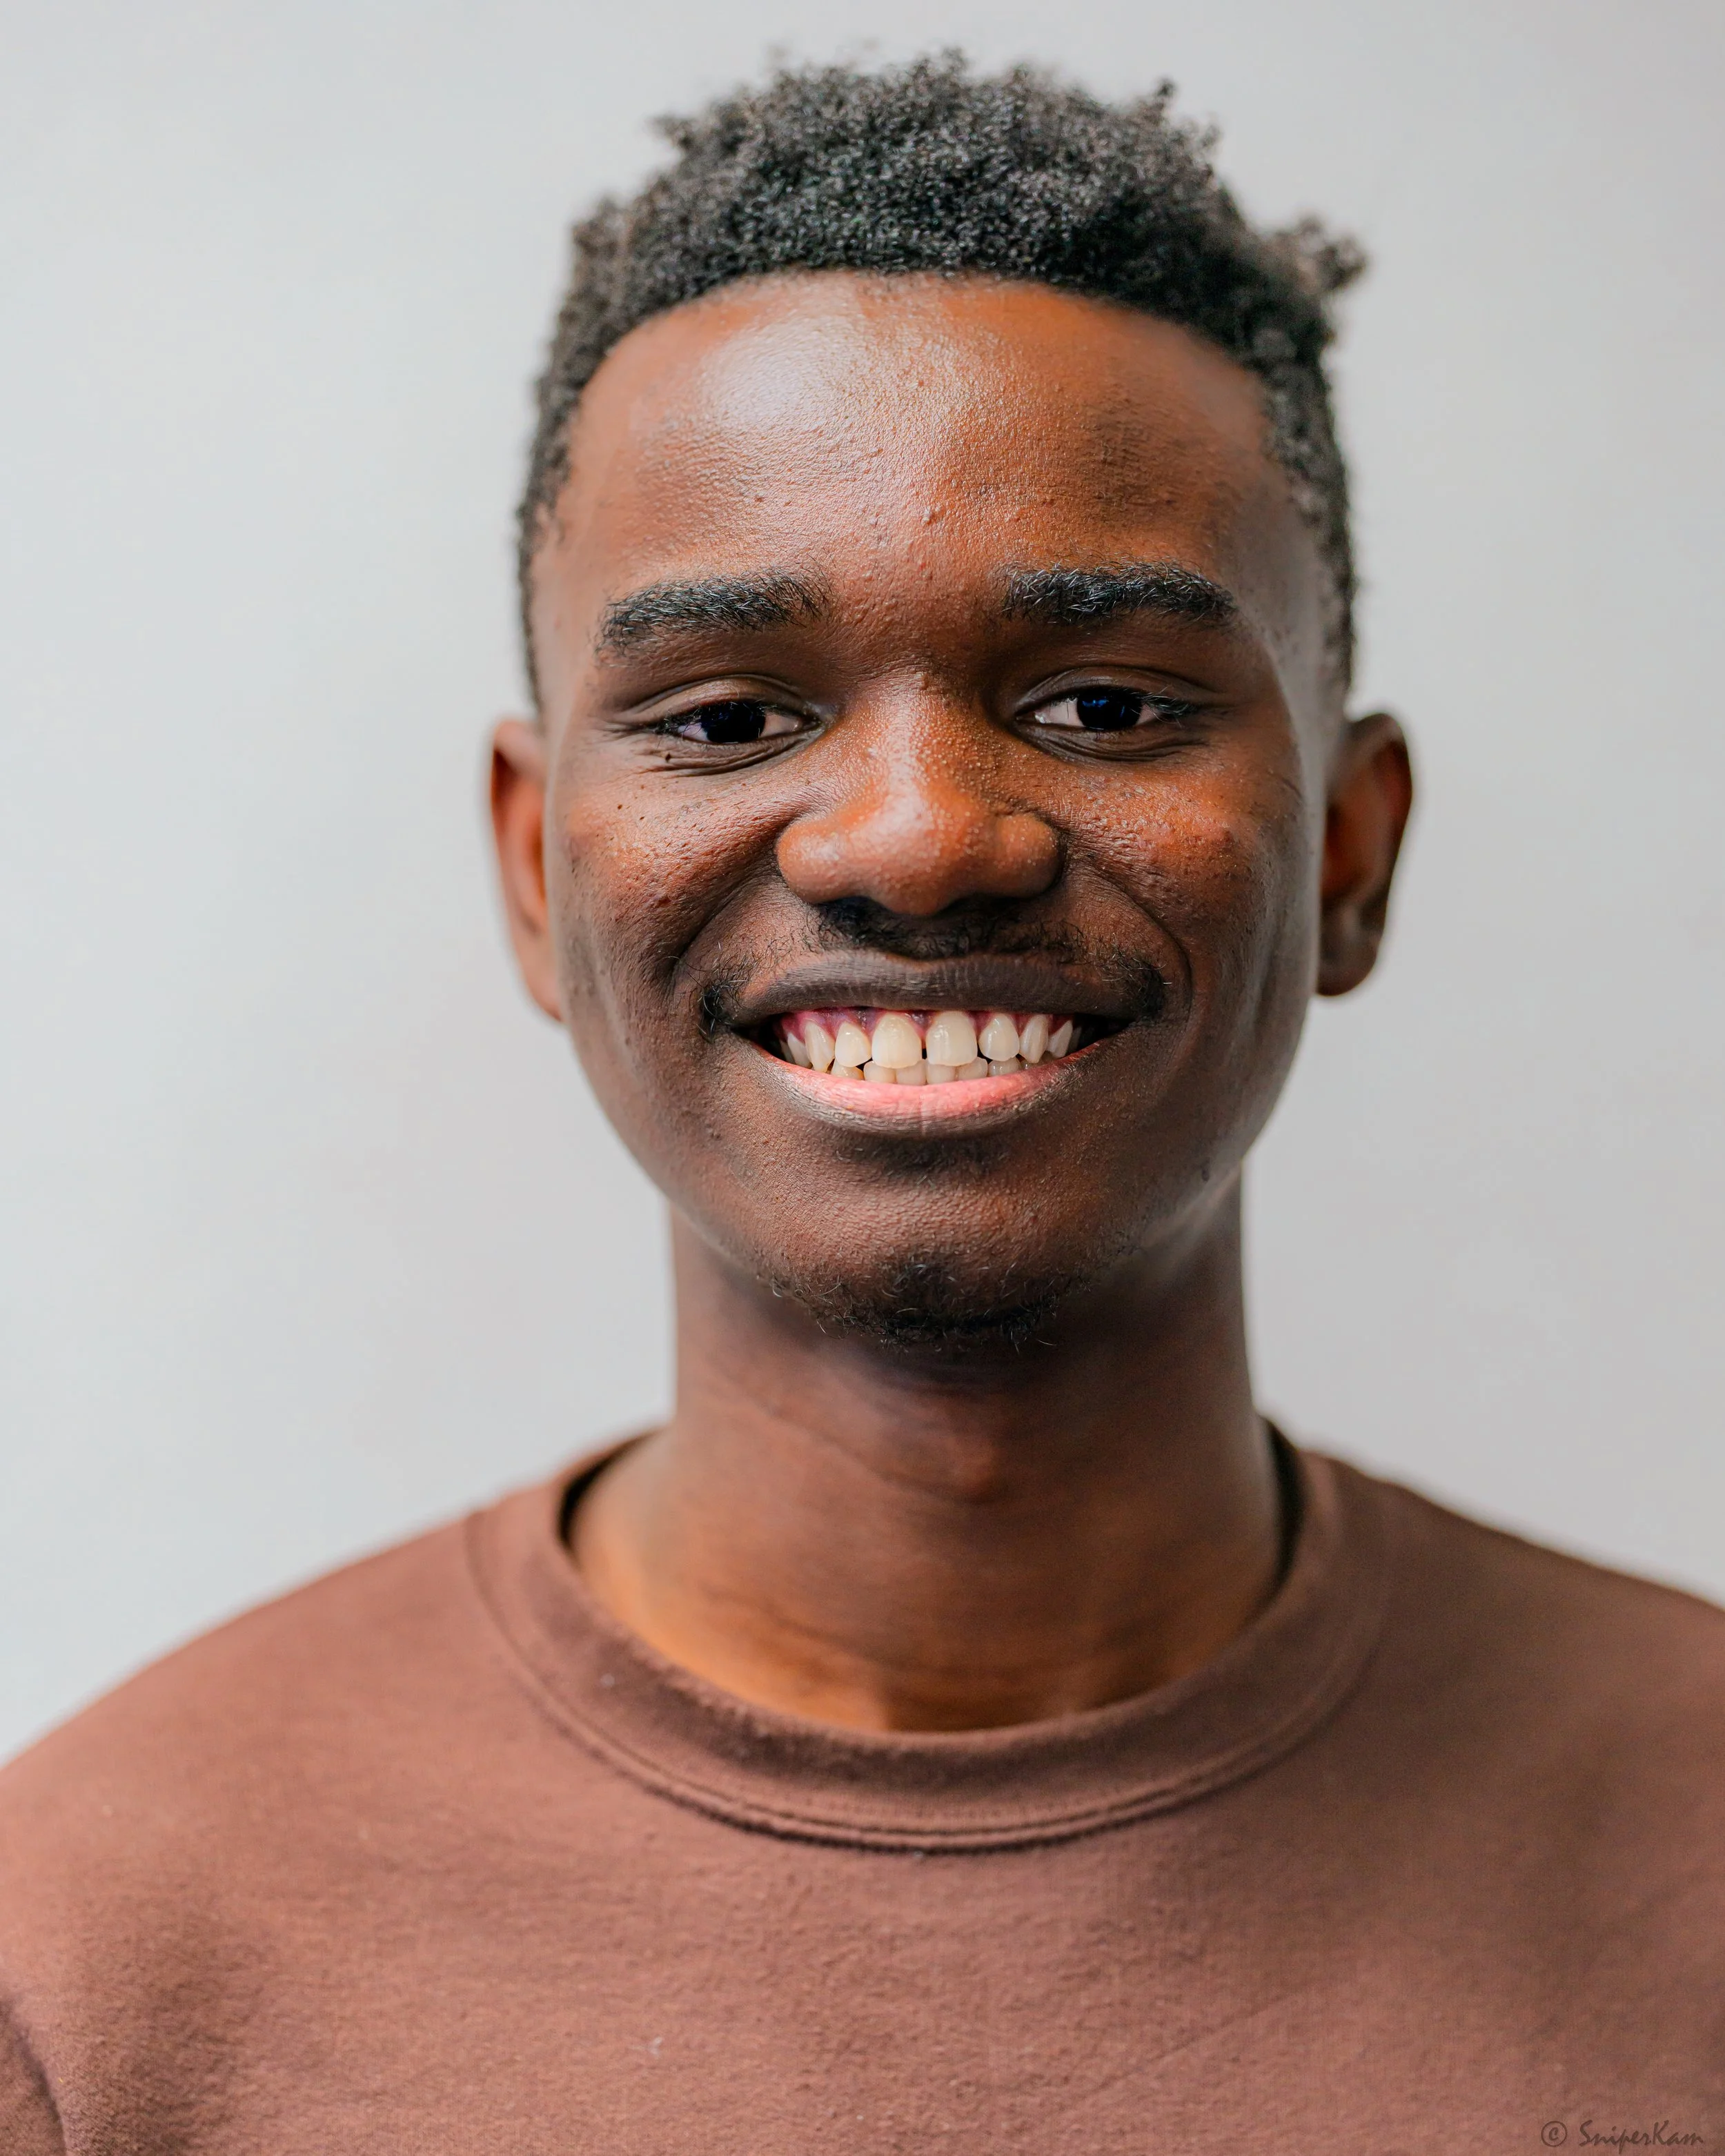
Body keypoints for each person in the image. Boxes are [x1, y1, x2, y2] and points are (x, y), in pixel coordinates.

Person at [3, 55, 1720, 2155]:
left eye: (1101, 702)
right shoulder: (89, 1961)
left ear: (1350, 847)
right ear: (538, 871)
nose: (914, 841)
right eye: (731, 715)